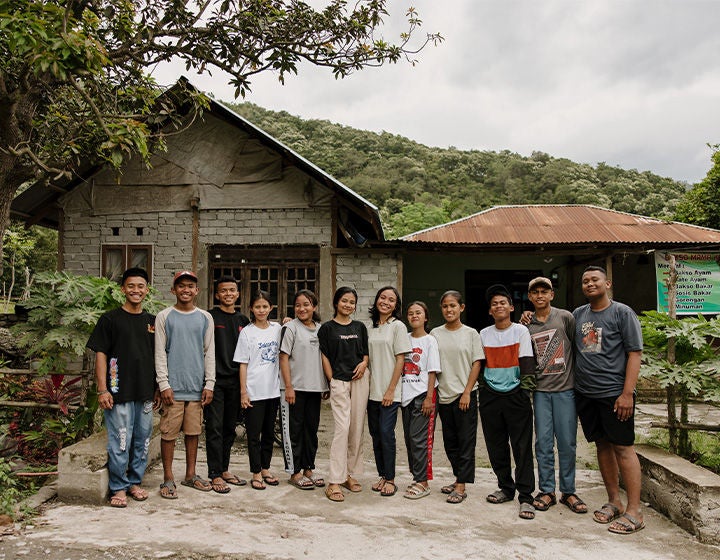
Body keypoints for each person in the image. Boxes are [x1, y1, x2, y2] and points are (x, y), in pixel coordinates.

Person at [573, 266, 645, 534]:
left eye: (595, 279)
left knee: (623, 448)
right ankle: (614, 501)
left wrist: (627, 393)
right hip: (587, 394)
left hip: (615, 395)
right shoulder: (580, 314)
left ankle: (635, 511)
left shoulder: (622, 313)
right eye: (585, 281)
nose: (590, 284)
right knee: (602, 446)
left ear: (607, 283)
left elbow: (634, 353)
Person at [86, 267, 156, 508]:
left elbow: (158, 357)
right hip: (118, 392)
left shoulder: (152, 322)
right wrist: (103, 389)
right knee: (120, 441)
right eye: (131, 286)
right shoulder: (110, 319)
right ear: (122, 289)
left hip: (145, 393)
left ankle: (135, 482)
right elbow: (101, 355)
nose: (136, 290)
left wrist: (157, 388)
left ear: (147, 290)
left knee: (142, 439)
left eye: (140, 286)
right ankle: (118, 487)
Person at [524, 277, 587, 514]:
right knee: (543, 443)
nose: (540, 295)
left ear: (552, 295)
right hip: (541, 392)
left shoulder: (565, 318)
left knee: (567, 444)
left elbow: (577, 348)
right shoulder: (526, 325)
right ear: (530, 297)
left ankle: (568, 491)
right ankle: (547, 490)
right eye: (535, 292)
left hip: (565, 390)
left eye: (544, 291)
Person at [155, 270, 216, 499]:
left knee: (193, 432)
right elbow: (159, 352)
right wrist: (163, 384)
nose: (186, 290)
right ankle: (168, 478)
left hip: (196, 386)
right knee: (169, 434)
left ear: (197, 290)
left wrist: (209, 383)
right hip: (173, 386)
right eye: (181, 286)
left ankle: (191, 474)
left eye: (190, 286)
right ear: (173, 290)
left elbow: (209, 352)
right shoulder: (164, 316)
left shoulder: (205, 318)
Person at [479, 284, 536, 520]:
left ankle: (526, 496)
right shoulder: (483, 334)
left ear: (511, 307)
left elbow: (527, 363)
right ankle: (505, 487)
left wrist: (525, 393)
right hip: (490, 395)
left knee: (522, 447)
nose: (498, 306)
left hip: (516, 395)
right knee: (496, 445)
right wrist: (483, 389)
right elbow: (479, 365)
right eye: (494, 304)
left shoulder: (520, 331)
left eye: (503, 302)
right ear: (490, 311)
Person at [430, 290, 483, 505]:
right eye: (445, 306)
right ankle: (457, 478)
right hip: (443, 395)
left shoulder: (471, 333)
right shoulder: (435, 333)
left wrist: (467, 392)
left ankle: (461, 485)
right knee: (450, 442)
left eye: (453, 305)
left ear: (461, 308)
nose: (449, 310)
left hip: (465, 395)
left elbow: (477, 363)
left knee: (466, 441)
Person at [318, 286, 369, 502]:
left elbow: (365, 353)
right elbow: (325, 357)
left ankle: (349, 474)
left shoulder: (360, 326)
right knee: (342, 428)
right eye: (344, 301)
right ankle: (334, 481)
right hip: (339, 381)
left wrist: (364, 364)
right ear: (336, 302)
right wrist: (331, 381)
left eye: (351, 302)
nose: (348, 305)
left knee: (356, 428)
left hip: (360, 380)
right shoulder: (327, 329)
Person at [279, 289, 328, 490]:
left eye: (306, 304)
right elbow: (283, 357)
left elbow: (325, 357)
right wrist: (288, 387)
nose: (302, 308)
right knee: (294, 431)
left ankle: (308, 468)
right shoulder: (291, 328)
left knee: (311, 431)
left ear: (314, 307)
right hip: (294, 389)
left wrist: (325, 383)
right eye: (298, 305)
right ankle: (295, 471)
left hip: (315, 388)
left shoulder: (321, 329)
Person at [205, 276, 250, 493]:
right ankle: (214, 473)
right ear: (217, 295)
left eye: (232, 290)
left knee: (229, 428)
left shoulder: (243, 320)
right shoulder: (209, 317)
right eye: (224, 291)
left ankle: (224, 469)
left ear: (238, 294)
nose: (228, 294)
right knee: (214, 427)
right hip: (215, 381)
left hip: (236, 381)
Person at [234, 290, 282, 490]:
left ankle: (265, 469)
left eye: (265, 306)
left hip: (273, 391)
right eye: (257, 307)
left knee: (269, 433)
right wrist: (243, 392)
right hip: (254, 390)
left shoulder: (278, 329)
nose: (261, 310)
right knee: (254, 435)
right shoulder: (247, 332)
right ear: (251, 309)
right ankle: (255, 472)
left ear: (271, 308)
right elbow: (243, 364)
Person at [367, 286, 411, 498]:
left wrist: (391, 390)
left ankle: (391, 479)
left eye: (391, 300)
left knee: (386, 433)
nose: (386, 302)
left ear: (396, 305)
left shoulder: (398, 327)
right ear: (376, 301)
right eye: (382, 297)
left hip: (389, 392)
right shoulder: (372, 327)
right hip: (371, 391)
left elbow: (401, 359)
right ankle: (382, 475)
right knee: (375, 435)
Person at [401, 301, 440, 500]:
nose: (414, 316)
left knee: (420, 440)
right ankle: (417, 477)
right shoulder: (404, 338)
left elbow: (432, 370)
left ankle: (423, 481)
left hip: (423, 395)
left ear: (425, 317)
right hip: (405, 396)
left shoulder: (429, 340)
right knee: (409, 439)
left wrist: (428, 398)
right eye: (410, 313)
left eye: (418, 313)